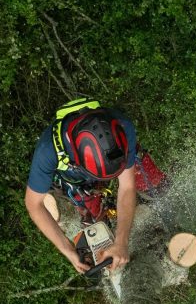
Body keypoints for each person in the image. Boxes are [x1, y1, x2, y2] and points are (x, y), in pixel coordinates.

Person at [25, 97, 137, 274]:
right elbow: (33, 204)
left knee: (145, 173)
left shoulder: (123, 126)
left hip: (113, 160)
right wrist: (68, 250)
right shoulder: (48, 150)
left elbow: (128, 186)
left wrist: (122, 241)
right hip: (76, 180)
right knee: (94, 214)